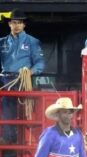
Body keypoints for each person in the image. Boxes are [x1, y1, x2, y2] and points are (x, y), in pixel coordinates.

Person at [0, 9, 44, 144]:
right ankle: (9, 136)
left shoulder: (33, 41)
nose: (17, 25)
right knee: (7, 106)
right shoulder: (1, 42)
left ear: (24, 25)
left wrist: (30, 71)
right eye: (14, 22)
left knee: (26, 108)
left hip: (24, 79)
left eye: (20, 23)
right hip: (5, 79)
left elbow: (40, 62)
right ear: (9, 24)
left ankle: (28, 138)